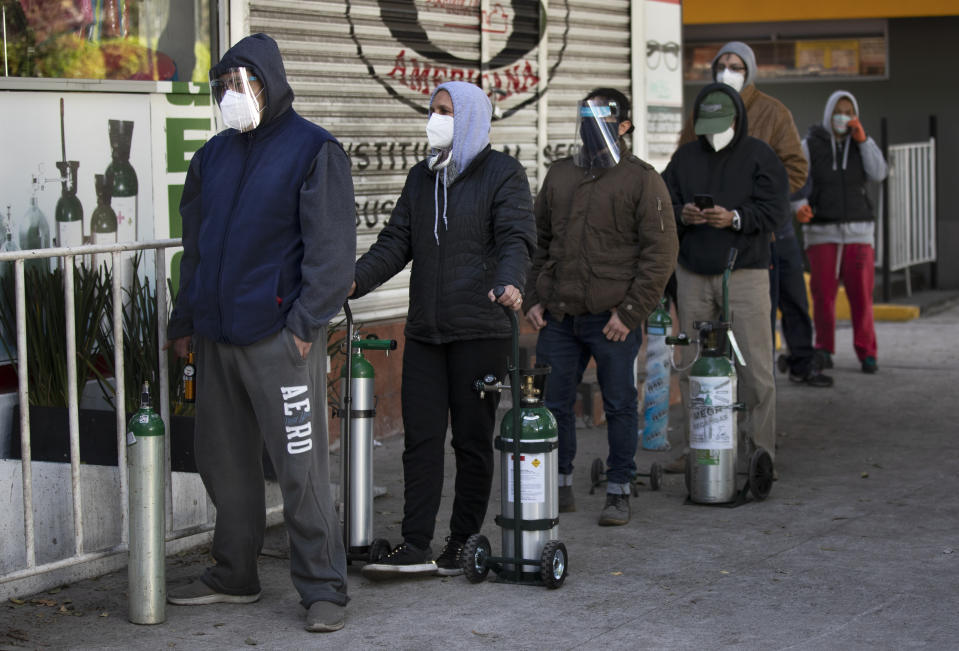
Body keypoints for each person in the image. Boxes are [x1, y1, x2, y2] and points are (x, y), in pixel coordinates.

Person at [164, 34, 355, 633]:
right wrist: (185, 321)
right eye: (225, 85)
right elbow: (194, 249)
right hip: (217, 336)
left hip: (280, 337)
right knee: (224, 464)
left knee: (300, 468)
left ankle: (323, 587)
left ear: (270, 83)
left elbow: (331, 255)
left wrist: (303, 327)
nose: (233, 94)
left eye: (244, 83)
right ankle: (233, 574)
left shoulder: (313, 150)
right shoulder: (212, 157)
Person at [352, 81, 535, 578]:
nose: (435, 119)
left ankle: (460, 542)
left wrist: (509, 281)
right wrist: (351, 281)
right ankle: (415, 544)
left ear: (471, 118)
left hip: (481, 329)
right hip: (428, 333)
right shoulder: (421, 177)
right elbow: (395, 242)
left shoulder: (503, 174)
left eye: (445, 112)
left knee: (472, 442)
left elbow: (517, 237)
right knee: (421, 440)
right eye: (432, 110)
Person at [524, 88, 678, 526]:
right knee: (552, 404)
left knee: (619, 405)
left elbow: (660, 254)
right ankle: (559, 487)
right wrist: (533, 298)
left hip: (612, 319)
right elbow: (538, 242)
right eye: (585, 116)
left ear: (624, 126)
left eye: (603, 118)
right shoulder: (560, 175)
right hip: (559, 316)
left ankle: (618, 490)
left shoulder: (642, 179)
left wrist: (630, 314)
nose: (591, 126)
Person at [677, 41, 831, 391]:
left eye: (736, 66)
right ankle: (720, 408)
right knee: (713, 334)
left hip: (765, 234)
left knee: (771, 316)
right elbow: (682, 163)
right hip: (708, 241)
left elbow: (796, 169)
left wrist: (755, 207)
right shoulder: (704, 109)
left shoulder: (773, 112)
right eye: (722, 65)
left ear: (750, 72)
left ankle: (793, 369)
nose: (727, 71)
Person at [662, 83, 788, 476]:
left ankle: (759, 450)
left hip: (745, 272)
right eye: (708, 125)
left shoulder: (759, 156)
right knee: (692, 365)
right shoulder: (683, 158)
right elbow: (662, 203)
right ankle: (697, 446)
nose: (714, 132)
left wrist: (734, 218)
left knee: (755, 368)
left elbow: (774, 211)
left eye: (722, 123)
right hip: (693, 273)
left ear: (738, 119)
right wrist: (684, 214)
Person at [797, 90, 888, 374]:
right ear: (828, 113)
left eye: (849, 112)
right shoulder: (810, 144)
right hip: (822, 231)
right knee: (823, 295)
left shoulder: (861, 143)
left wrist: (865, 141)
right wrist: (799, 205)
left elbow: (879, 172)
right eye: (839, 111)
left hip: (859, 231)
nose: (844, 117)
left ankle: (867, 352)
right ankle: (824, 348)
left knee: (861, 295)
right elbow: (798, 179)